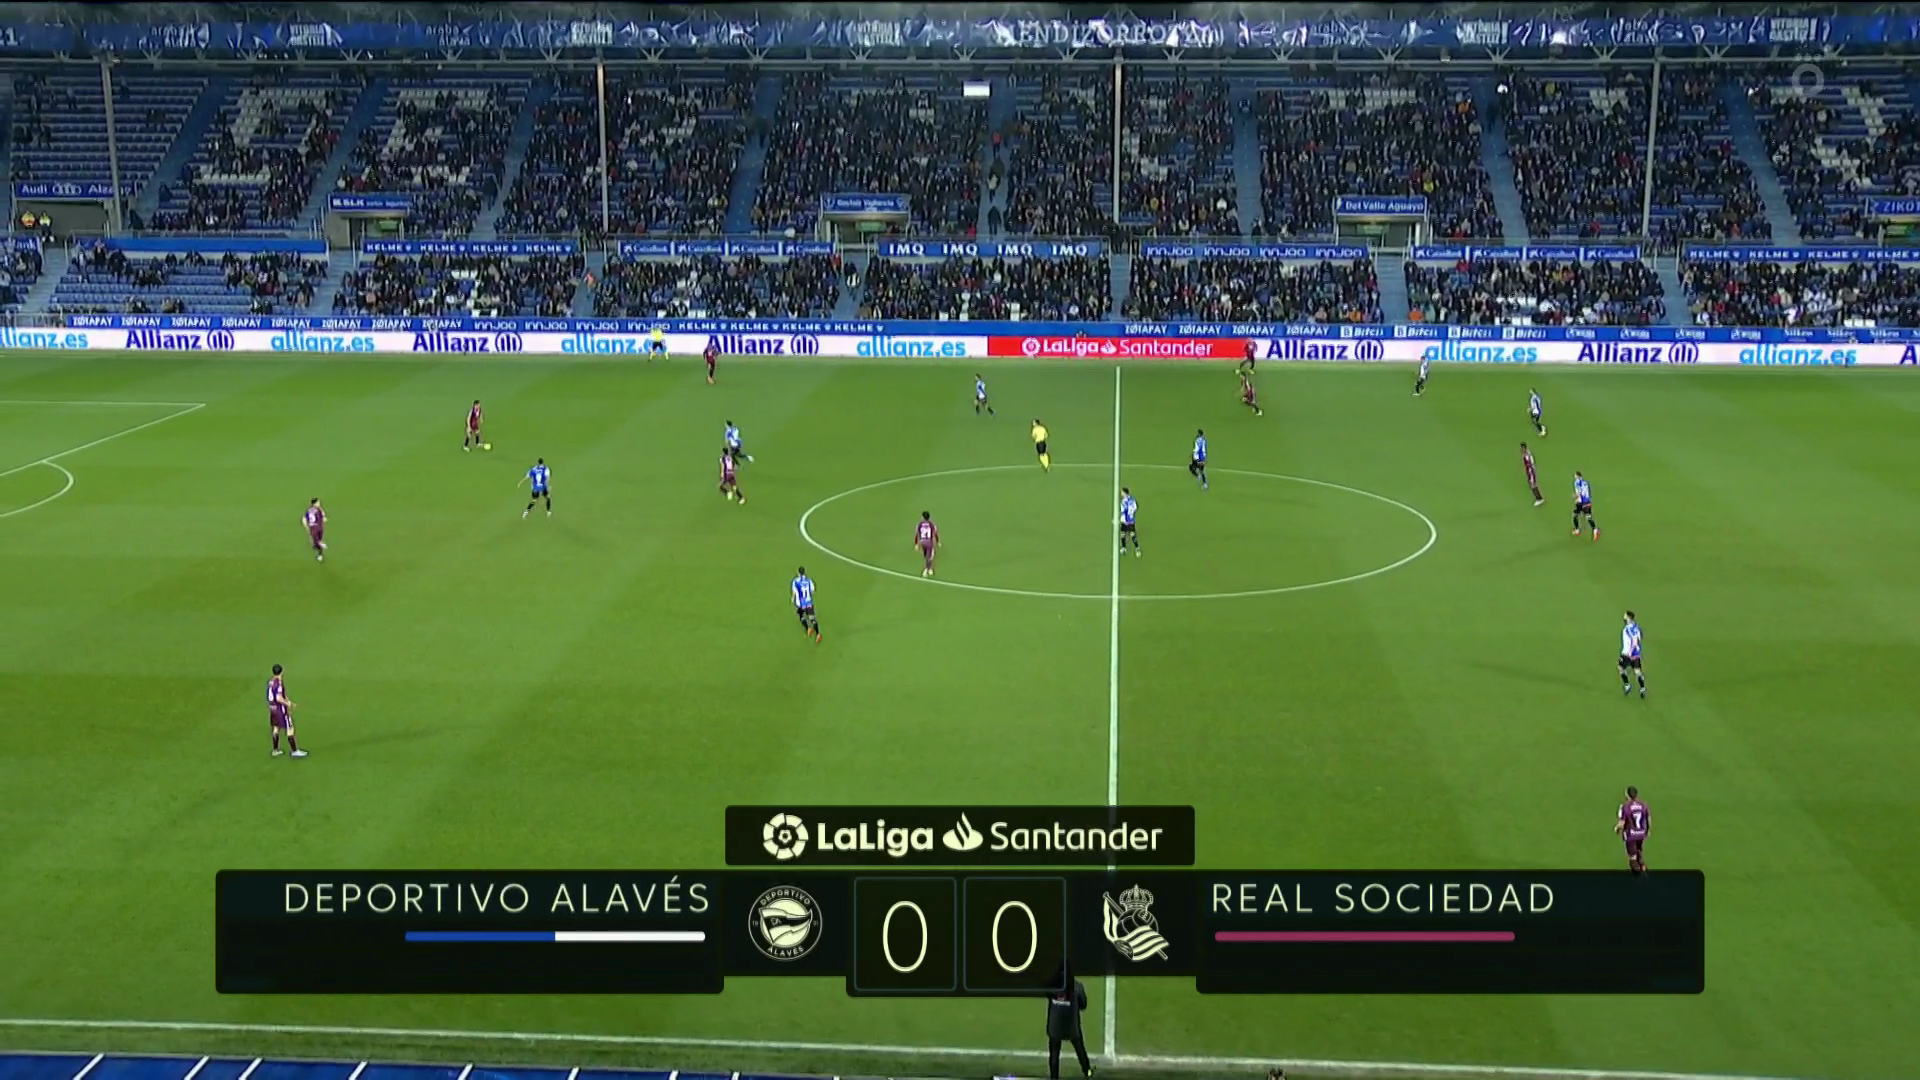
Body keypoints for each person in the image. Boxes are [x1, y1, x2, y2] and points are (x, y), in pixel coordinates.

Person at [1045, 964, 1092, 1079]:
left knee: (1054, 1054)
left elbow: (1047, 994)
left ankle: (1054, 1077)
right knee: (1080, 1049)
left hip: (1055, 1027)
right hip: (1071, 1026)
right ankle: (1087, 1072)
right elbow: (1083, 1005)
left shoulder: (1052, 985)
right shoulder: (1077, 986)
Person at [268, 663, 307, 758]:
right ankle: (294, 751)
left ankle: (275, 750)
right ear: (282, 672)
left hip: (273, 709)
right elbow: (278, 697)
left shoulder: (271, 682)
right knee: (290, 728)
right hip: (281, 710)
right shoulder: (278, 683)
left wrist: (288, 701)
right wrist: (287, 704)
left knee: (276, 728)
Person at [1616, 784, 1650, 874]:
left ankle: (1637, 875)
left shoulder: (1625, 807)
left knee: (1632, 857)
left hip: (1631, 835)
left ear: (1627, 795)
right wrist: (1647, 831)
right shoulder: (1643, 805)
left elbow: (1622, 822)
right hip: (1641, 833)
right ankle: (1643, 867)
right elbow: (1647, 818)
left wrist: (1617, 829)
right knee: (1639, 851)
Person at [1619, 610, 1646, 698]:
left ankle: (1627, 685)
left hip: (1627, 653)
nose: (1623, 617)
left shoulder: (1628, 628)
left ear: (1628, 617)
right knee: (1637, 672)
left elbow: (1634, 640)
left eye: (1625, 615)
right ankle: (1642, 689)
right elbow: (1640, 636)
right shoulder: (1636, 626)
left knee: (1621, 668)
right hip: (1636, 653)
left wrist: (1630, 652)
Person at [792, 567, 820, 642]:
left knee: (801, 617)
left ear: (798, 573)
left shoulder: (795, 581)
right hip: (809, 602)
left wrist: (793, 599)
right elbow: (813, 591)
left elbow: (794, 592)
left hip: (801, 604)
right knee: (812, 619)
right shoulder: (809, 580)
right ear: (805, 572)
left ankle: (808, 628)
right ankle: (818, 634)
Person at [1572, 471, 1598, 539]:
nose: (1574, 476)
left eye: (1575, 475)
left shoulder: (1577, 482)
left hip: (1581, 502)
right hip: (1587, 502)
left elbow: (1579, 493)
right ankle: (1595, 530)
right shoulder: (1586, 482)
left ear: (1578, 476)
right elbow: (1588, 493)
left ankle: (1577, 530)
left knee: (1575, 515)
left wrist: (1575, 497)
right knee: (1588, 517)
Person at [914, 510, 940, 577]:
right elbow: (935, 533)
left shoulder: (919, 524)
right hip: (929, 542)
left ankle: (929, 568)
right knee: (930, 557)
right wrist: (938, 542)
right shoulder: (931, 524)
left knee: (926, 556)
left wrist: (916, 544)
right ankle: (926, 569)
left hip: (922, 542)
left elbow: (916, 534)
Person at [1119, 487, 1139, 557]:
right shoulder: (1132, 499)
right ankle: (1137, 549)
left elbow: (1123, 511)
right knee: (1132, 534)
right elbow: (1136, 508)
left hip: (1125, 521)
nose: (1121, 493)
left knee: (1123, 534)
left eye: (1122, 492)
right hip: (1131, 520)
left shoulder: (1124, 502)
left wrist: (1122, 519)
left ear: (1125, 493)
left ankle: (1124, 548)